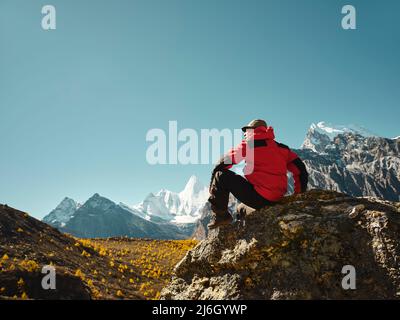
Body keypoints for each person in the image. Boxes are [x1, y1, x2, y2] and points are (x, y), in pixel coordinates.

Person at [207, 119, 308, 229]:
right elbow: (301, 169)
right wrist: (299, 195)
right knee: (240, 208)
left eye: (246, 131)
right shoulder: (282, 148)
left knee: (221, 175)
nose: (245, 134)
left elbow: (225, 161)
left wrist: (213, 179)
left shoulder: (249, 145)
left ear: (253, 131)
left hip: (260, 197)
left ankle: (221, 217)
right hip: (276, 198)